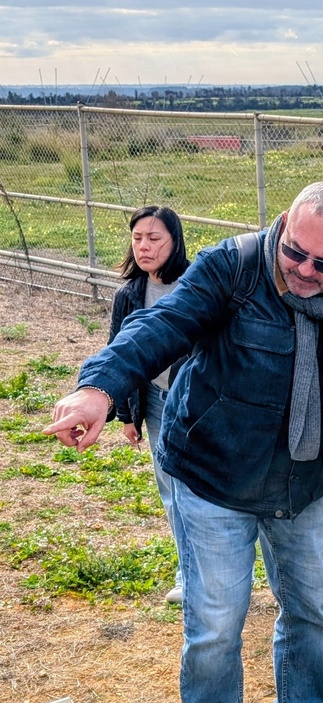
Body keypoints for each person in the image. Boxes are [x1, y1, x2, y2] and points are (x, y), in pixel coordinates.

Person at [45, 182, 323, 703]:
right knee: (216, 622)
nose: (305, 271)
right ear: (282, 225)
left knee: (311, 612)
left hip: (301, 484)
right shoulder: (231, 266)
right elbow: (160, 327)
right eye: (295, 252)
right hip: (213, 475)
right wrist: (99, 389)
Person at [109, 205, 190, 605]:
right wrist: (128, 415)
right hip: (157, 405)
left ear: (174, 242)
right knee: (171, 489)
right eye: (138, 238)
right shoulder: (129, 295)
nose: (144, 247)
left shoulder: (198, 282)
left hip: (196, 403)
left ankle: (217, 570)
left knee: (200, 489)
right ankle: (188, 572)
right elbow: (119, 355)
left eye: (154, 239)